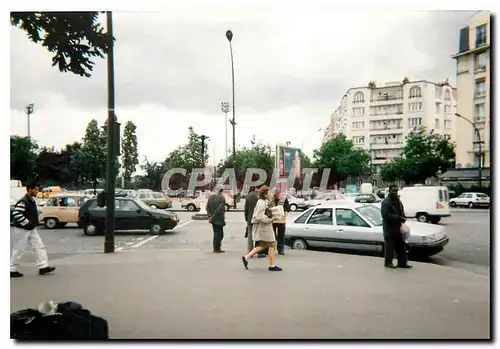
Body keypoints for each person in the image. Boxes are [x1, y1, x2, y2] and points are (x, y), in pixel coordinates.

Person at [11, 182, 56, 277]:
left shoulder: (31, 200)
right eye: (35, 189)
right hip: (22, 229)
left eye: (37, 189)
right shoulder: (24, 201)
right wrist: (26, 222)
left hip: (31, 228)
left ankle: (43, 267)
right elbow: (16, 213)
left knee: (39, 246)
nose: (37, 191)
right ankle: (12, 269)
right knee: (19, 249)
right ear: (29, 189)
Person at [241, 186, 282, 272]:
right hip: (264, 227)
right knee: (272, 244)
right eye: (269, 192)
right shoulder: (261, 203)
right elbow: (259, 217)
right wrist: (271, 219)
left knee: (263, 245)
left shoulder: (263, 202)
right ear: (265, 194)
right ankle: (271, 265)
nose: (271, 194)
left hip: (263, 227)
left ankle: (246, 257)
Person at [381, 184, 412, 269]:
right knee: (390, 247)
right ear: (390, 191)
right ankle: (388, 263)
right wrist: (399, 218)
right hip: (389, 229)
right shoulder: (386, 202)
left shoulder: (398, 200)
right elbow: (386, 215)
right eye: (393, 190)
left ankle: (402, 263)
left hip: (398, 228)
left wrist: (403, 217)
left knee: (401, 246)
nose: (395, 192)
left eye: (396, 190)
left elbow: (401, 210)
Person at [269, 187, 291, 255]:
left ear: (279, 193)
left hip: (281, 220)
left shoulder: (284, 198)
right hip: (273, 220)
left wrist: (282, 209)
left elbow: (288, 208)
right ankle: (271, 249)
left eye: (277, 194)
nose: (276, 196)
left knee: (281, 236)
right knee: (272, 236)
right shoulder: (270, 199)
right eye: (275, 195)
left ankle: (281, 250)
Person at [206, 189, 227, 253]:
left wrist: (210, 216)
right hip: (218, 219)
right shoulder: (222, 198)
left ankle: (216, 247)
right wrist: (212, 217)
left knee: (216, 234)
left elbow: (207, 208)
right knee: (219, 234)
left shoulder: (211, 197)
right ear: (221, 191)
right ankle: (216, 248)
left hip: (213, 220)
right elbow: (219, 210)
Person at [244, 187, 259, 254]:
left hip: (250, 218)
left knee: (250, 235)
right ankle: (258, 251)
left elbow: (246, 209)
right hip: (258, 218)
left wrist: (246, 218)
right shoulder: (259, 196)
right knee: (258, 235)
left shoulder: (248, 196)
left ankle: (250, 251)